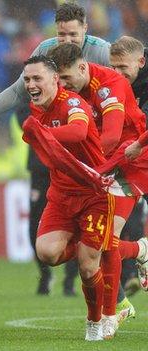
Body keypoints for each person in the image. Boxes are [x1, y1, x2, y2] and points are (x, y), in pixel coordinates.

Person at [0, 2, 109, 297]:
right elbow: (18, 92)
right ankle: (48, 275)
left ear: (86, 29)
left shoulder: (102, 53)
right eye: (61, 35)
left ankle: (120, 264)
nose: (67, 41)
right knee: (44, 228)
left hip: (95, 149)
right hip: (51, 154)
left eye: (73, 34)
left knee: (116, 221)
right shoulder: (46, 52)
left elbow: (123, 90)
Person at [48, 43, 148, 338]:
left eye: (65, 79)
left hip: (130, 162)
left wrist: (83, 166)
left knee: (105, 240)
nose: (62, 86)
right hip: (102, 164)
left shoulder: (109, 85)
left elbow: (112, 136)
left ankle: (113, 310)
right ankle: (141, 251)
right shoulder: (70, 87)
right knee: (97, 241)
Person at [20, 55, 111, 341]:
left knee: (87, 267)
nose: (31, 84)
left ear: (54, 80)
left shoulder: (71, 102)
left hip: (94, 193)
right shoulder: (35, 111)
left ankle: (94, 321)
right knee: (46, 253)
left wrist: (43, 133)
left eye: (37, 79)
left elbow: (78, 130)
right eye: (27, 80)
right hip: (61, 195)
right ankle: (87, 243)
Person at [109, 36, 148, 295]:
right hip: (131, 161)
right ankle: (136, 265)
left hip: (138, 154)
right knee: (112, 230)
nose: (118, 73)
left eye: (124, 67)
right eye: (114, 67)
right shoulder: (110, 84)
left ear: (141, 62)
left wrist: (136, 144)